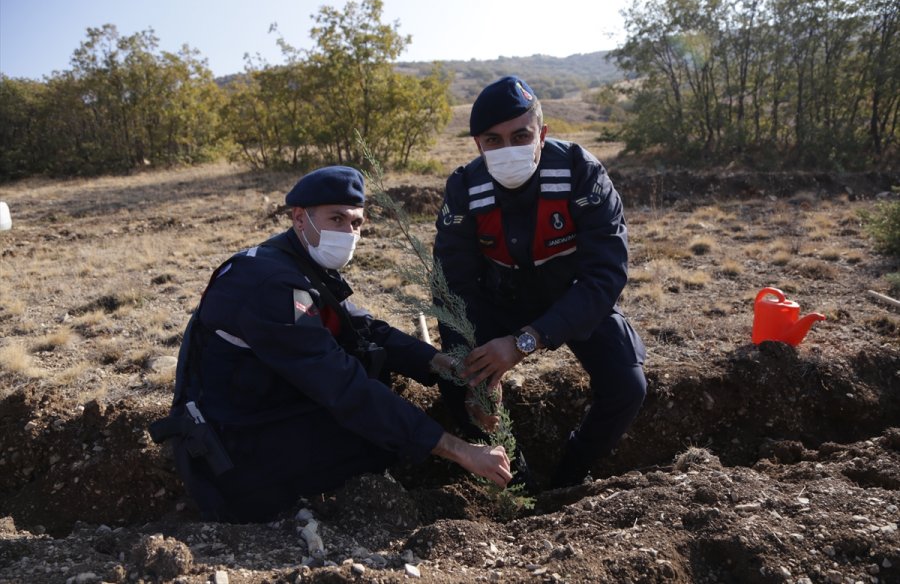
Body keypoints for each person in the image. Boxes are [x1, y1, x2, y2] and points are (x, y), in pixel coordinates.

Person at [152, 166, 511, 523]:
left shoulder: (295, 260)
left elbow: (364, 328)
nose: (348, 232)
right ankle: (295, 508)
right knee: (374, 437)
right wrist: (461, 451)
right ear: (299, 218)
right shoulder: (271, 286)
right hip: (229, 454)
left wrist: (443, 365)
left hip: (257, 408)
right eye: (336, 219)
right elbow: (343, 387)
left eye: (356, 223)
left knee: (378, 384)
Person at [433, 76, 647, 489]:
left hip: (574, 297)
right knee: (460, 388)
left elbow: (605, 275)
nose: (508, 149)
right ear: (478, 144)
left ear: (542, 134)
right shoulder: (465, 188)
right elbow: (452, 286)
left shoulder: (581, 174)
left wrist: (524, 342)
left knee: (627, 386)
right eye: (493, 140)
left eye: (521, 135)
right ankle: (519, 484)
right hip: (499, 296)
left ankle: (569, 474)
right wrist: (472, 368)